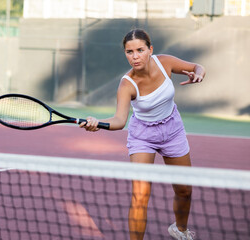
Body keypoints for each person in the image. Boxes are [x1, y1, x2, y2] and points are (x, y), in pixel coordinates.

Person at [80, 29, 205, 240]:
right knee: (140, 196)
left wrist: (199, 73)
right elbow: (119, 121)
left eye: (140, 50)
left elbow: (196, 66)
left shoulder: (165, 63)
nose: (135, 56)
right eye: (129, 52)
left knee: (184, 190)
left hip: (173, 129)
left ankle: (180, 230)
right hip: (142, 136)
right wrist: (97, 123)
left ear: (150, 50)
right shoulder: (126, 84)